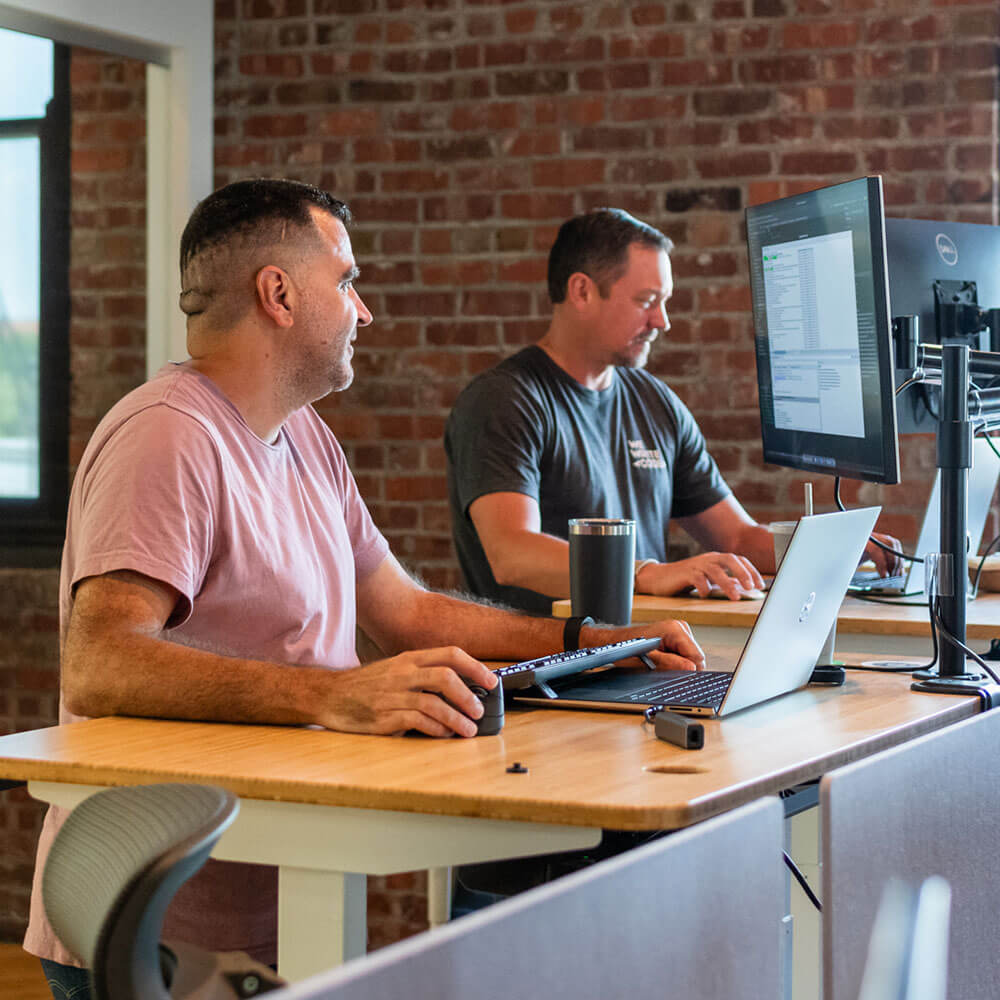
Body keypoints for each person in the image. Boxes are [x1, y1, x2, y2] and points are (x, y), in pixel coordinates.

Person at [24, 181, 705, 996]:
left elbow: (404, 611)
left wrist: (590, 644)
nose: (364, 309)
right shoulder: (168, 436)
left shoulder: (303, 434)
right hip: (161, 934)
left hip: (281, 898)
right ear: (277, 294)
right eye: (346, 282)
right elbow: (100, 664)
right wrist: (333, 694)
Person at [445, 207, 901, 614]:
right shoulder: (504, 400)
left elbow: (738, 538)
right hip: (538, 673)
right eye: (646, 301)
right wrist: (647, 573)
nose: (661, 321)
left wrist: (835, 550)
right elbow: (512, 553)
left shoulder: (655, 402)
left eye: (664, 302)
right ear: (582, 292)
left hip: (636, 657)